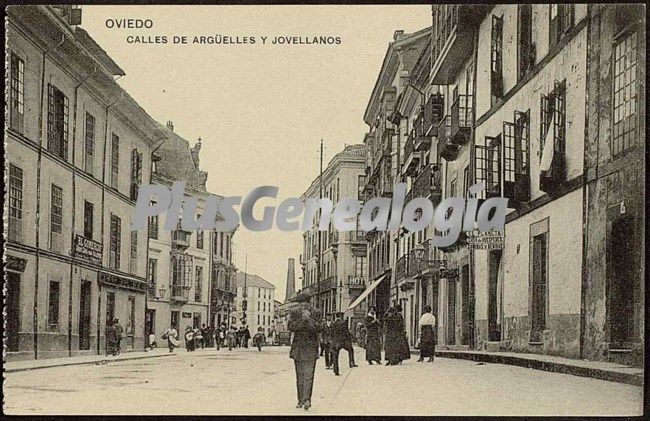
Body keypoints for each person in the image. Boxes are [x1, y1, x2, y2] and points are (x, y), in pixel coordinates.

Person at [288, 293, 322, 411]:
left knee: (309, 375)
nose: (303, 306)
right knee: (300, 376)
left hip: (311, 348)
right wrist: (302, 320)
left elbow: (319, 328)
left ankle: (307, 399)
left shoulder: (316, 313)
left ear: (309, 303)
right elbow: (291, 327)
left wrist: (309, 320)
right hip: (298, 348)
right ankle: (300, 399)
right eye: (301, 304)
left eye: (305, 304)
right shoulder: (295, 312)